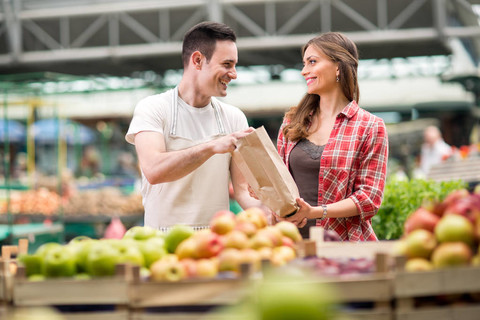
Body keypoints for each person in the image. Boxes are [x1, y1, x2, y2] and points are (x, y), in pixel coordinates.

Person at [125, 21, 262, 230]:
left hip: (216, 241)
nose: (234, 74)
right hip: (162, 243)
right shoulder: (153, 108)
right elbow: (154, 170)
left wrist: (270, 211)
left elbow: (242, 191)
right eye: (227, 64)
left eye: (234, 66)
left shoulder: (234, 118)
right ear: (197, 60)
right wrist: (211, 146)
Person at [276, 32, 389, 241]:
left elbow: (369, 198)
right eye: (304, 64)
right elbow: (278, 183)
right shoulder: (292, 122)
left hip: (344, 244)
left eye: (312, 62)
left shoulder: (370, 127)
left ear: (338, 66)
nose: (304, 71)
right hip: (290, 243)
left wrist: (316, 212)